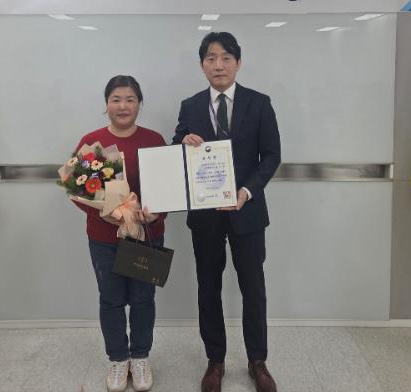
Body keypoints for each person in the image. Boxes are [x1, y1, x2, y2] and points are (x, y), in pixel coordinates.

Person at [173, 32, 281, 392]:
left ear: (238, 62)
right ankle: (215, 361)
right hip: (205, 215)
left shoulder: (259, 103)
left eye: (226, 58)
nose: (218, 65)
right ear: (202, 64)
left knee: (254, 288)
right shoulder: (190, 106)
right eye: (211, 58)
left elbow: (271, 156)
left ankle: (257, 361)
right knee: (208, 287)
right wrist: (183, 143)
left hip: (247, 212)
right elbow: (176, 151)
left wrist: (246, 192)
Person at [72, 75, 165, 392]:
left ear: (139, 104)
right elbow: (78, 192)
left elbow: (168, 187)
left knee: (143, 300)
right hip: (104, 238)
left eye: (130, 99)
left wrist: (156, 214)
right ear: (106, 104)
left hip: (146, 236)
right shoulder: (93, 142)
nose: (123, 106)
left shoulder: (154, 140)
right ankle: (117, 359)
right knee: (111, 300)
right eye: (116, 99)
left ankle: (140, 357)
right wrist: (107, 213)